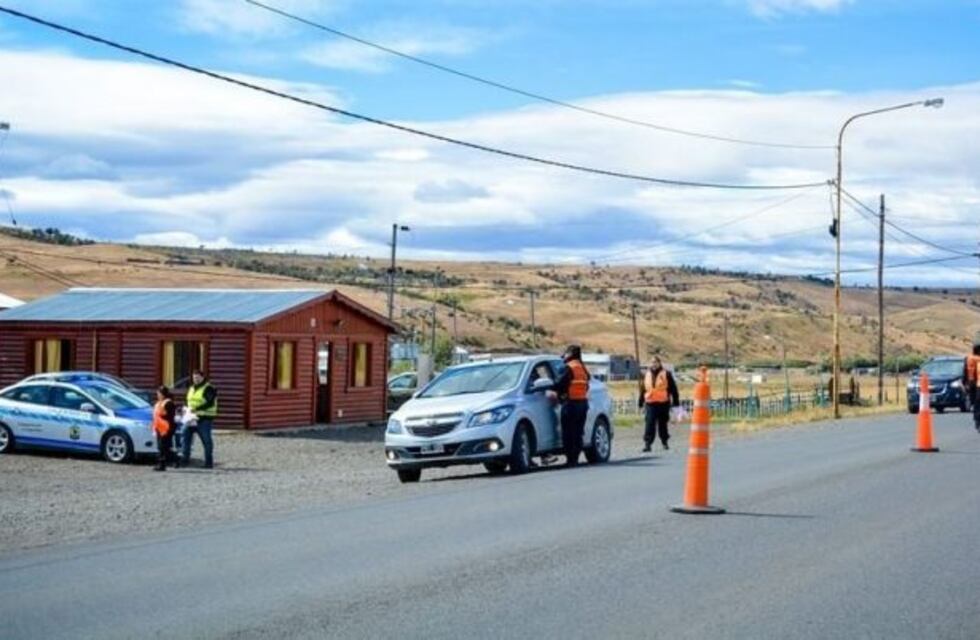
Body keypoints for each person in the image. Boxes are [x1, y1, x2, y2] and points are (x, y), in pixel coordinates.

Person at [555, 345, 590, 467]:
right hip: (582, 403)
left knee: (568, 432)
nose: (564, 355)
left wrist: (557, 394)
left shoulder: (568, 367)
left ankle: (570, 459)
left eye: (565, 353)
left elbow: (559, 383)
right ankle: (575, 458)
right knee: (578, 432)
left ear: (570, 354)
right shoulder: (582, 367)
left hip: (571, 404)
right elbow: (587, 384)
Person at [641, 356, 680, 452]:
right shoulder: (647, 374)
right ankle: (648, 444)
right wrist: (640, 401)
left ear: (659, 363)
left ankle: (664, 442)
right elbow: (643, 388)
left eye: (655, 362)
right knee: (649, 423)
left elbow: (673, 388)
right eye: (652, 362)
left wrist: (676, 402)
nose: (653, 364)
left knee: (663, 424)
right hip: (650, 403)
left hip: (663, 403)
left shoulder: (666, 374)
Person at [182, 369, 217, 469]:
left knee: (206, 441)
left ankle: (208, 462)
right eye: (194, 378)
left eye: (197, 378)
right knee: (185, 438)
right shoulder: (191, 388)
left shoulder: (209, 388)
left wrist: (197, 409)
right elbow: (187, 400)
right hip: (191, 418)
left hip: (204, 419)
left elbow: (210, 403)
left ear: (202, 377)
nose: (196, 379)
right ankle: (185, 460)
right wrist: (185, 408)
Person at [152, 386, 177, 472]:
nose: (157, 395)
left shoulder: (169, 403)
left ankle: (161, 464)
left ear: (163, 394)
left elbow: (170, 416)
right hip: (159, 426)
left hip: (166, 427)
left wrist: (162, 417)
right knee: (163, 447)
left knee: (163, 446)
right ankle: (175, 460)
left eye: (159, 393)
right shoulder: (159, 403)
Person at [968, 344, 980, 432]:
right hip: (976, 384)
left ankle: (977, 419)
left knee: (976, 403)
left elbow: (969, 373)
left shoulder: (970, 359)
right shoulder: (976, 360)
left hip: (976, 385)